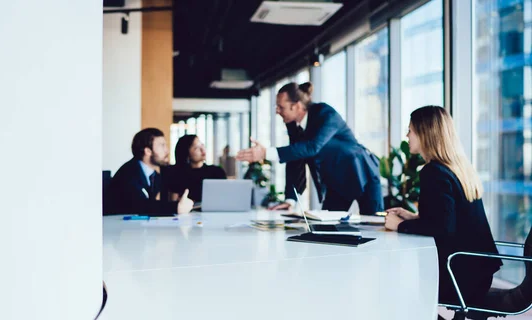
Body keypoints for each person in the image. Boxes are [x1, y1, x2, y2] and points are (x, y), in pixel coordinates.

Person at [384, 106, 501, 306]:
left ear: (424, 133)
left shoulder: (433, 172)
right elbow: (450, 220)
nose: (407, 135)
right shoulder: (457, 167)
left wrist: (399, 226)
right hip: (477, 272)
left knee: (394, 287)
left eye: (410, 130)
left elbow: (443, 229)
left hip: (459, 277)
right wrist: (413, 218)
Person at [236, 82, 383, 215]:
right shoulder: (294, 125)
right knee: (326, 228)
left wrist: (266, 153)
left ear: (297, 106)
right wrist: (291, 200)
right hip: (337, 183)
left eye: (281, 107)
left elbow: (313, 146)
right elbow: (295, 157)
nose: (277, 111)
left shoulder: (325, 114)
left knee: (373, 225)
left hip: (362, 174)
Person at [105, 128, 193, 216]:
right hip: (117, 225)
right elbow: (139, 205)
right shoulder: (128, 173)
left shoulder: (155, 174)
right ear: (148, 151)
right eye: (162, 145)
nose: (167, 150)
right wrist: (175, 207)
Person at [166, 134, 226, 202]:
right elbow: (173, 202)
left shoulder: (217, 171)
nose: (202, 149)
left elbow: (224, 197)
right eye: (196, 148)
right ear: (186, 153)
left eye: (202, 145)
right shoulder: (177, 174)